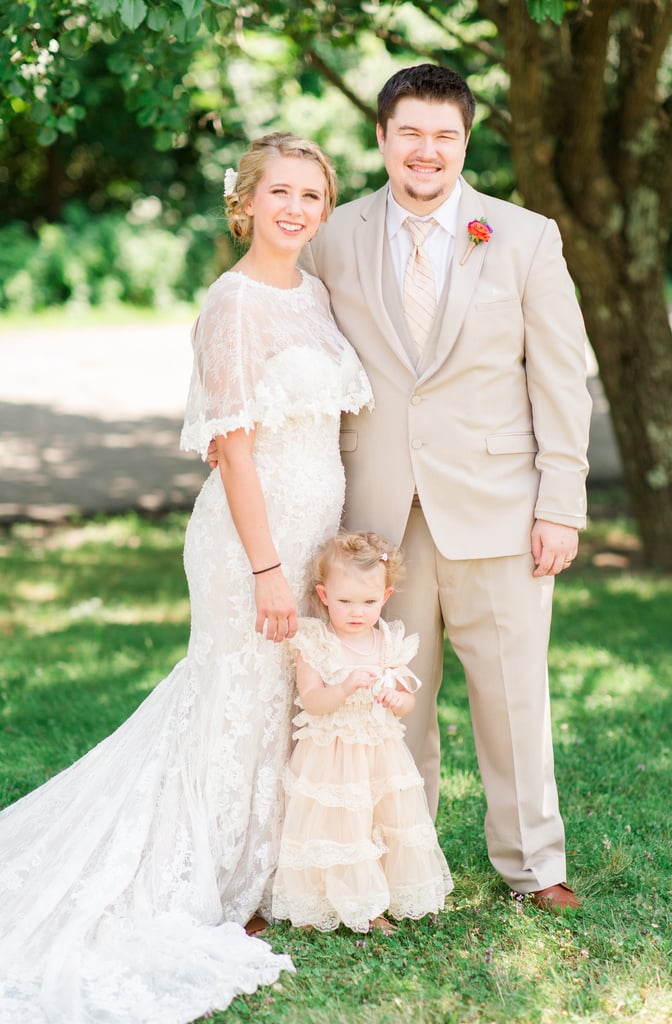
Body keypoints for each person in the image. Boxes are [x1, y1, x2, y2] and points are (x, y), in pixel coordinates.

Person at [0, 132, 372, 1023]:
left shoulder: (315, 296)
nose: (295, 210)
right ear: (244, 201)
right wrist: (270, 569)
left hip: (314, 523)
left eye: (312, 198)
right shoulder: (232, 304)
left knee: (277, 702)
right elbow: (234, 450)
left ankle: (267, 869)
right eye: (279, 192)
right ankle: (200, 877)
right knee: (231, 697)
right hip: (252, 538)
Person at [300, 65, 593, 913]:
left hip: (500, 507)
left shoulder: (523, 236)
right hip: (377, 516)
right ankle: (399, 866)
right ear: (383, 138)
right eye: (409, 133)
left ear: (466, 141)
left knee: (512, 700)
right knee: (394, 701)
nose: (425, 151)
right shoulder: (335, 236)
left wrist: (559, 504)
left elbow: (561, 378)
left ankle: (535, 867)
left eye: (444, 135)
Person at [271, 531, 452, 934]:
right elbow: (313, 700)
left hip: (378, 755)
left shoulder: (389, 642)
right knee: (334, 830)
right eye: (345, 601)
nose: (357, 611)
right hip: (329, 758)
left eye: (369, 602)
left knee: (376, 825)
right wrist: (346, 685)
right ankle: (316, 903)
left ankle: (372, 905)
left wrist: (392, 696)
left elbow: (408, 701)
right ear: (323, 595)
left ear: (385, 598)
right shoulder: (316, 643)